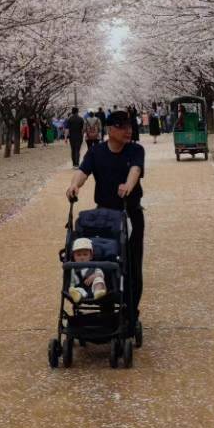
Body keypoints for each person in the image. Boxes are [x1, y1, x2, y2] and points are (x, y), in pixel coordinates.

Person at [66, 109, 145, 323]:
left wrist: (128, 185)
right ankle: (107, 306)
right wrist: (74, 185)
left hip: (131, 213)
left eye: (130, 127)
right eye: (122, 127)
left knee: (132, 264)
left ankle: (130, 312)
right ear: (110, 129)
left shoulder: (136, 150)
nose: (128, 131)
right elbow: (83, 171)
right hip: (104, 218)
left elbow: (135, 171)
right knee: (103, 260)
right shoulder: (96, 152)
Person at [66, 237, 107, 303]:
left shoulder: (94, 266)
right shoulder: (73, 269)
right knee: (74, 289)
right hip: (81, 288)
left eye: (85, 255)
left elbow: (100, 273)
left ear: (91, 256)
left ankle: (98, 292)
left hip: (93, 288)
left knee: (99, 280)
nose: (82, 258)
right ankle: (77, 295)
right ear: (74, 256)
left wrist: (94, 276)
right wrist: (71, 287)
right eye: (78, 255)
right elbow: (72, 282)